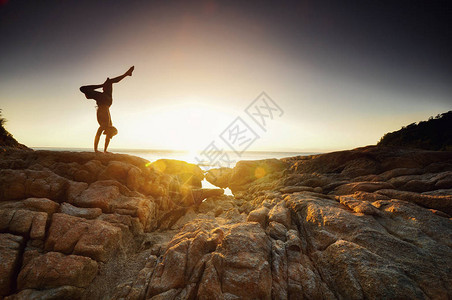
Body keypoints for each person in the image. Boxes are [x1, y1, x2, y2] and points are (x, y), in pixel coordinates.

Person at [80, 66, 134, 153]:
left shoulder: (107, 125)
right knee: (86, 89)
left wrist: (99, 150)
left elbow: (101, 136)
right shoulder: (107, 124)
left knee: (87, 90)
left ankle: (126, 74)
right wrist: (99, 150)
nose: (107, 135)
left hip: (106, 101)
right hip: (105, 101)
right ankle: (126, 74)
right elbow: (103, 137)